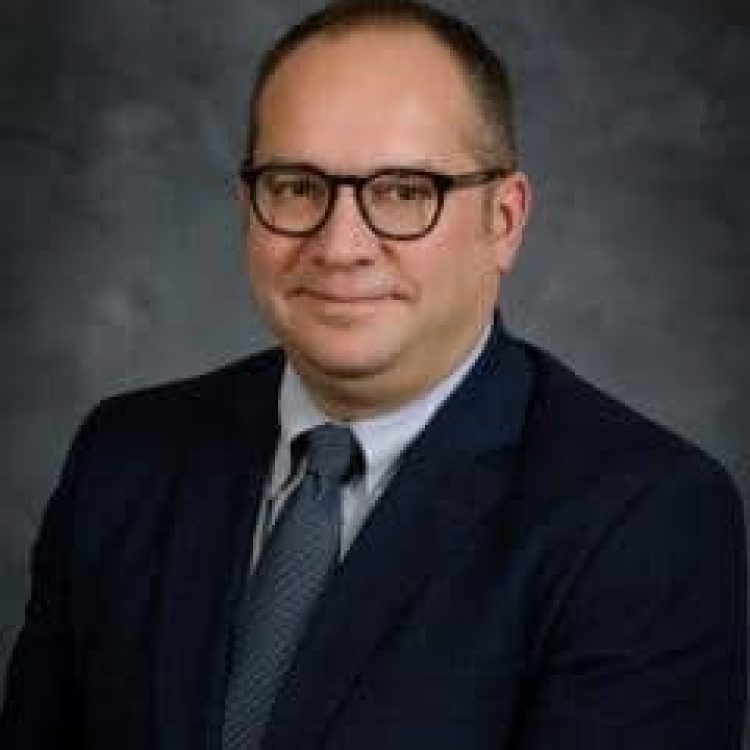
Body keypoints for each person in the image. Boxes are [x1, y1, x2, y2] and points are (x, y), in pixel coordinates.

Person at [1, 1, 746, 748]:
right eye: (296, 185)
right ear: (248, 207)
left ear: (504, 220)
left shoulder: (642, 519)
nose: (340, 244)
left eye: (403, 192)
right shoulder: (125, 457)